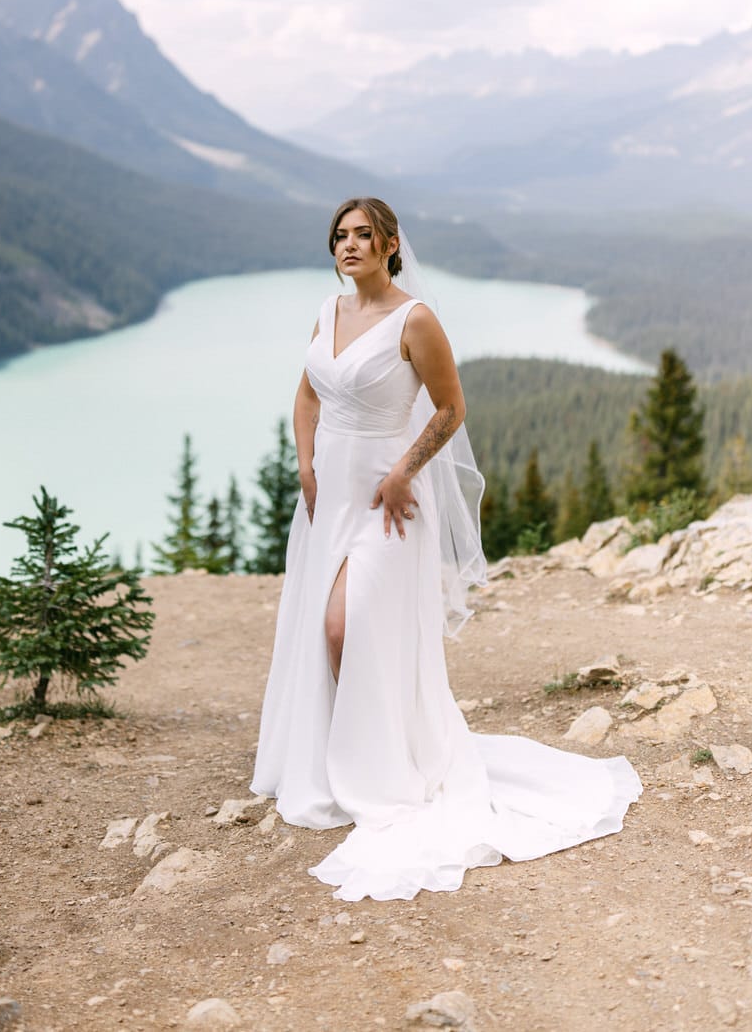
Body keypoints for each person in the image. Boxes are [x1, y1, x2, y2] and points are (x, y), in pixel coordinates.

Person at [251, 197, 641, 902]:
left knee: (347, 624)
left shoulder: (415, 318)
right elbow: (308, 395)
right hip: (328, 495)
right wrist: (305, 464)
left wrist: (403, 472)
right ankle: (337, 755)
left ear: (391, 244)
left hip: (388, 497)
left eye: (363, 235)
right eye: (340, 237)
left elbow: (451, 408)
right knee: (319, 622)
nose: (349, 246)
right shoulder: (326, 311)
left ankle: (378, 764)